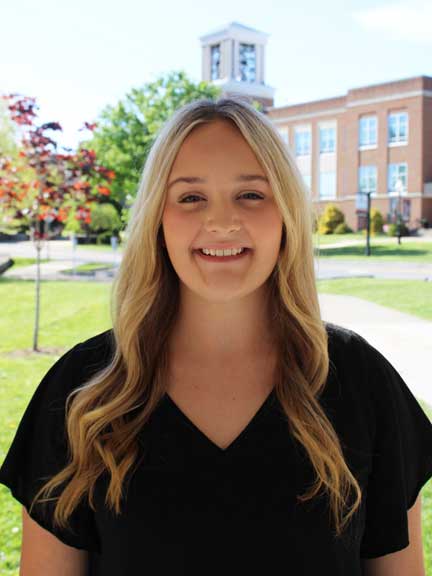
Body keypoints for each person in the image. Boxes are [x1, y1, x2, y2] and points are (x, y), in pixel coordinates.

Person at [1, 96, 432, 576]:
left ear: (286, 213)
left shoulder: (362, 382)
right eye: (190, 197)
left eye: (251, 194)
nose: (223, 221)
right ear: (157, 218)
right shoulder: (84, 392)